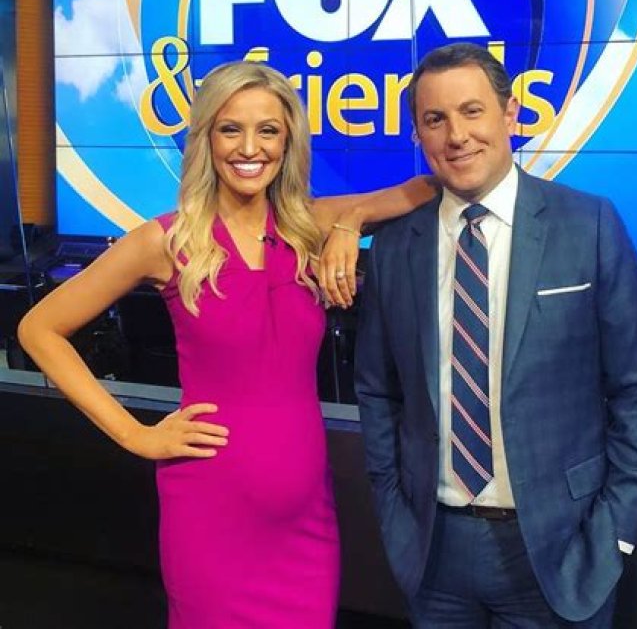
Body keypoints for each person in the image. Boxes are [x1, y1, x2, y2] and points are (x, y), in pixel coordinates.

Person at [18, 60, 437, 628]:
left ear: (287, 142)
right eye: (230, 129)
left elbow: (426, 189)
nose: (250, 148)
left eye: (268, 130)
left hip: (306, 523)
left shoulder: (308, 225)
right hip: (211, 514)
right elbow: (39, 329)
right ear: (206, 139)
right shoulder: (164, 240)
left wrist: (352, 220)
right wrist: (136, 434)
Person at [354, 43, 637, 628]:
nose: (457, 135)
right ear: (418, 135)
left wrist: (614, 535)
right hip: (433, 554)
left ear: (510, 114)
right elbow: (377, 389)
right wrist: (393, 508)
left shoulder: (589, 224)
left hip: (563, 552)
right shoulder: (396, 245)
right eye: (435, 119)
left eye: (472, 111)